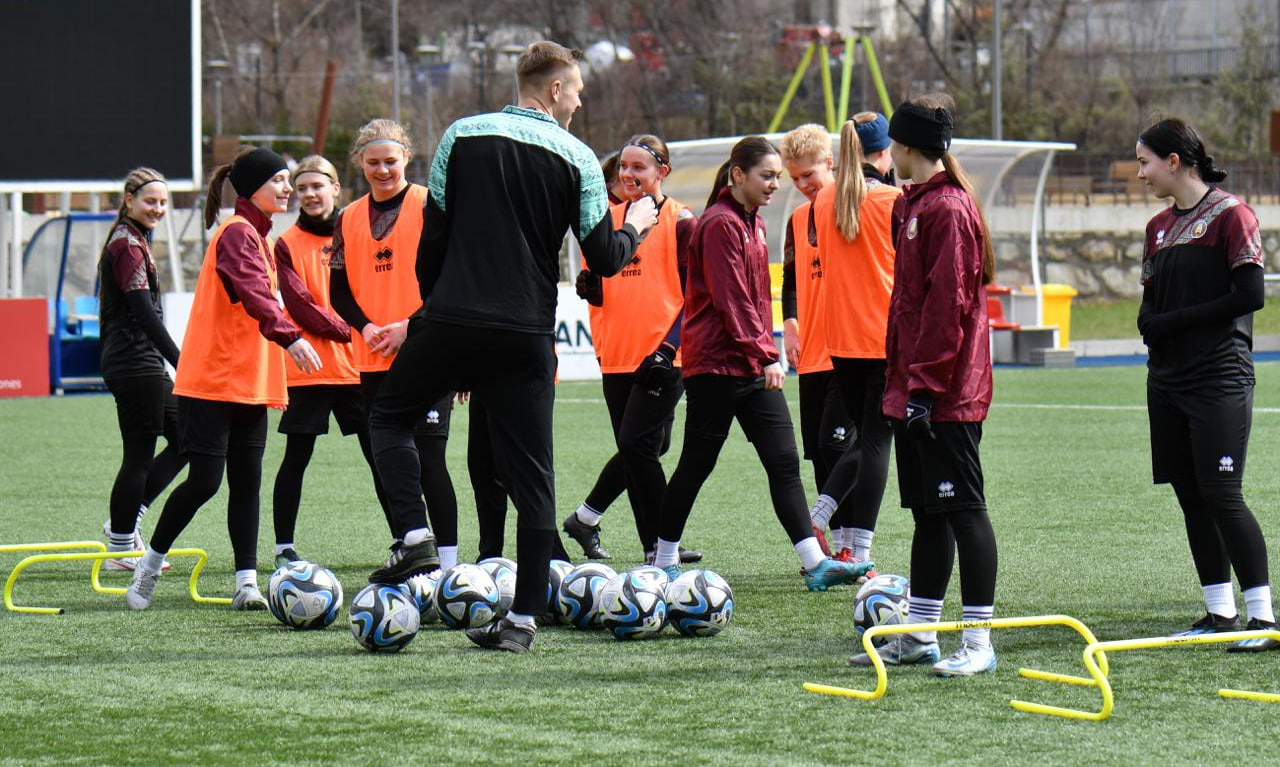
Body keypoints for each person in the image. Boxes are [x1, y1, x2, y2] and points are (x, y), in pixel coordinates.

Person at [365, 40, 658, 653]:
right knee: (534, 477)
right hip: (525, 330)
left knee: (388, 417)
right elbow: (603, 258)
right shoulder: (577, 156)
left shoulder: (458, 135)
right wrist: (637, 226)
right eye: (577, 89)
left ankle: (414, 535)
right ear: (554, 90)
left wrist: (440, 324)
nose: (579, 99)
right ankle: (522, 622)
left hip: (451, 317)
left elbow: (432, 243)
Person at [650, 136, 872, 590]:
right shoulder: (717, 225)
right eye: (767, 176)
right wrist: (767, 352)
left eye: (777, 177)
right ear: (738, 175)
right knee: (697, 462)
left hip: (748, 366)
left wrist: (760, 353)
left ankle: (815, 564)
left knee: (784, 461)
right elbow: (732, 302)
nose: (775, 185)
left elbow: (754, 302)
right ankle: (662, 558)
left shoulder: (752, 223)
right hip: (716, 367)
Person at [125, 147, 322, 611]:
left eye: (287, 180)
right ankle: (148, 565)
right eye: (279, 180)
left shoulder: (263, 238)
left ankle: (246, 584)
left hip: (251, 382)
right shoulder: (236, 234)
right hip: (212, 382)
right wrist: (289, 337)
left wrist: (342, 329)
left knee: (247, 482)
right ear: (253, 186)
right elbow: (256, 294)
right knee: (205, 482)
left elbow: (290, 296)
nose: (288, 188)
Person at [850, 95, 998, 676]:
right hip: (914, 386)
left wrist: (924, 388)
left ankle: (980, 641)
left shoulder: (948, 209)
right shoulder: (910, 204)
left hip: (946, 395)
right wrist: (901, 384)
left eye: (895, 146)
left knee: (964, 509)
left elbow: (948, 308)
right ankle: (920, 633)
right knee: (928, 515)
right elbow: (908, 308)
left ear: (907, 148)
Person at [1134, 118, 1276, 651]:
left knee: (1222, 492)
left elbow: (1250, 295)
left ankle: (1264, 618)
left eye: (1145, 161)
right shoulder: (1157, 228)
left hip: (1219, 376)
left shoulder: (1232, 214)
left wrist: (1172, 322)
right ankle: (1220, 613)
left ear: (1175, 162)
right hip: (1166, 379)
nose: (1140, 173)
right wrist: (1150, 319)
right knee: (1190, 494)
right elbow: (1151, 297)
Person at [328, 119, 462, 572]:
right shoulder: (346, 218)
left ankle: (446, 565)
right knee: (388, 458)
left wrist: (411, 324)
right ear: (359, 164)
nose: (382, 170)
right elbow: (339, 290)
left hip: (428, 347)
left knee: (429, 459)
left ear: (407, 156)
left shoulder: (431, 205)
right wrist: (365, 328)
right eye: (373, 163)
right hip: (372, 355)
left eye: (390, 160)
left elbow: (452, 277)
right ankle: (411, 545)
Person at [565, 134, 703, 565]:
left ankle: (660, 551)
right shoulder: (607, 220)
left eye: (639, 167)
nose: (628, 175)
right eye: (623, 166)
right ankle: (588, 521)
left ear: (662, 172)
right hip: (616, 354)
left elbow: (695, 296)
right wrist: (590, 289)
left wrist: (670, 347)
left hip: (663, 356)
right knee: (645, 448)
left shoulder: (681, 220)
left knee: (639, 447)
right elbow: (605, 288)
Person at [270, 155, 377, 568]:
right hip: (309, 370)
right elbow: (299, 304)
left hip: (357, 370)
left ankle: (404, 538)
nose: (310, 195)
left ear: (336, 188)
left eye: (318, 186)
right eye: (303, 188)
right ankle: (284, 547)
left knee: (380, 456)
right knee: (296, 458)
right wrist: (358, 328)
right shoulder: (287, 243)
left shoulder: (359, 232)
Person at [805, 113, 901, 571]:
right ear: (884, 152)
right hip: (882, 335)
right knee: (877, 442)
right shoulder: (891, 199)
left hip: (839, 337)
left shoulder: (823, 199)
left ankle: (824, 518)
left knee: (863, 439)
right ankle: (856, 546)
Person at [96, 168, 187, 570]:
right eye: (151, 201)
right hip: (135, 363)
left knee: (190, 436)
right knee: (138, 454)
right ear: (129, 199)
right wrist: (183, 361)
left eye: (164, 202)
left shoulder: (135, 240)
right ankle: (120, 548)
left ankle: (125, 519)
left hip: (141, 361)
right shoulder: (127, 246)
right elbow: (144, 314)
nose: (159, 209)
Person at [778, 124, 848, 558]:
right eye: (795, 178)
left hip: (847, 349)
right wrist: (789, 322)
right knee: (820, 454)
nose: (803, 185)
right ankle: (837, 544)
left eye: (810, 175)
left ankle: (855, 542)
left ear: (830, 164)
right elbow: (791, 278)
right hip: (811, 352)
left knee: (839, 446)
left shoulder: (851, 206)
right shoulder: (797, 219)